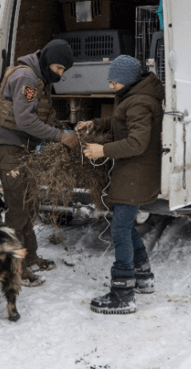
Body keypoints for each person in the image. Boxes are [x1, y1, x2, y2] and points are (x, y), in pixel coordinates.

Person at [76, 55, 162, 315]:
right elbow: (120, 124)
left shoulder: (139, 103)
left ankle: (123, 293)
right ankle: (143, 275)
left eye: (114, 82)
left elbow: (137, 142)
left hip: (135, 172)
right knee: (123, 224)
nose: (111, 86)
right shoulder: (133, 97)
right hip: (132, 172)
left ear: (126, 80)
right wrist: (96, 123)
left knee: (120, 229)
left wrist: (103, 149)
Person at [0, 39, 79, 287]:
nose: (60, 74)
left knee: (29, 206)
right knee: (18, 210)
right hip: (11, 150)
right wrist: (60, 136)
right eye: (59, 68)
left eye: (64, 70)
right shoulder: (27, 79)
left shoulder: (38, 77)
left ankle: (29, 257)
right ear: (48, 59)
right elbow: (24, 121)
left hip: (23, 150)